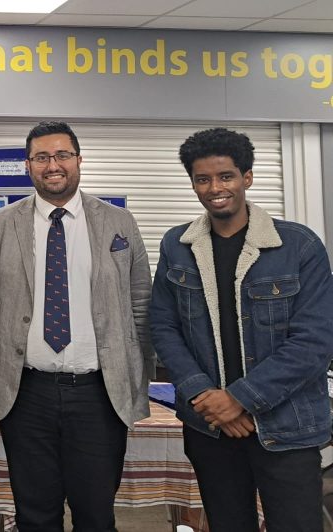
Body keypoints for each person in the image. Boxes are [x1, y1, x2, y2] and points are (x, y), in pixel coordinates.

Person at [0, 121, 153, 531]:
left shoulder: (119, 222)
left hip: (98, 394)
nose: (53, 165)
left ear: (79, 161)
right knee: (35, 515)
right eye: (42, 157)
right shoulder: (2, 224)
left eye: (62, 155)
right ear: (28, 166)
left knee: (96, 514)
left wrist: (139, 375)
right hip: (26, 392)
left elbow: (141, 303)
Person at [150, 128, 333, 531]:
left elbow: (314, 343)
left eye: (226, 176)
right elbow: (163, 327)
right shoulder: (176, 246)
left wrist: (241, 400)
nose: (215, 188)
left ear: (246, 177)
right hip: (211, 429)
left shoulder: (299, 246)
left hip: (287, 429)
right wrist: (205, 395)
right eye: (203, 179)